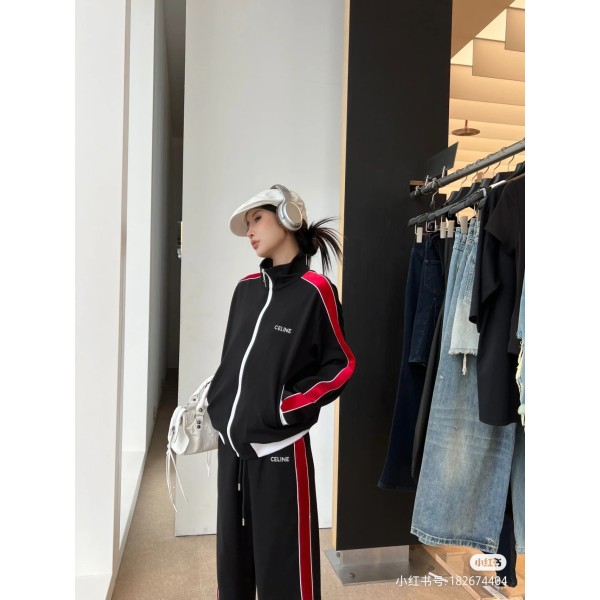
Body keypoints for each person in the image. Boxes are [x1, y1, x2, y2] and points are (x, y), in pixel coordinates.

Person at [207, 184, 356, 600]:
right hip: (231, 450)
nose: (250, 231)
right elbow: (233, 360)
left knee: (285, 568)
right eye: (247, 224)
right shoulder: (245, 289)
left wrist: (285, 407)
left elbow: (340, 365)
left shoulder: (315, 290)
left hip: (280, 449)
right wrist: (218, 402)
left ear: (288, 216)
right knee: (232, 564)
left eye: (257, 218)